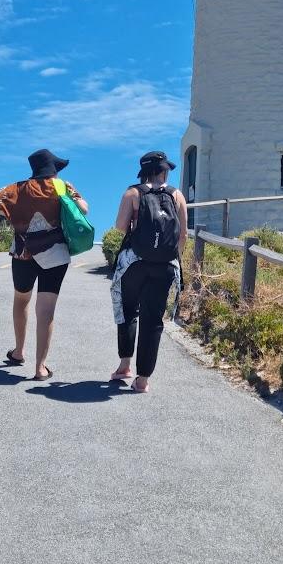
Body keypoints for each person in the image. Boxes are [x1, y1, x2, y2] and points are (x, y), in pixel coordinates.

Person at [0, 148, 89, 381]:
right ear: (53, 169)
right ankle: (40, 368)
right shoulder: (61, 186)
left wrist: (17, 215)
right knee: (46, 310)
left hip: (23, 253)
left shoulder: (17, 187)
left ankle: (18, 351)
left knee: (21, 300)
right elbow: (84, 209)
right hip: (55, 254)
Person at [109, 151, 187, 393]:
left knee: (128, 311)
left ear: (143, 171)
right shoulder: (177, 195)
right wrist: (170, 255)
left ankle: (124, 366)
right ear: (163, 171)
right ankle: (142, 380)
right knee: (153, 321)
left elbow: (120, 228)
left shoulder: (132, 193)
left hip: (135, 264)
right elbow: (183, 235)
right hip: (165, 266)